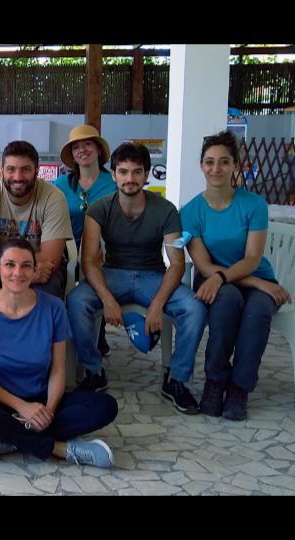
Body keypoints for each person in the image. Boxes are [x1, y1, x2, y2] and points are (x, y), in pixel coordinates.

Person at [66, 143, 206, 413]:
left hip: (153, 275)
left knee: (194, 308)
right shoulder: (99, 208)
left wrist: (157, 305)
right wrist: (107, 299)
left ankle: (176, 380)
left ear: (146, 174)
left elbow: (177, 263)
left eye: (136, 172)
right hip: (112, 274)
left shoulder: (165, 210)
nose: (129, 178)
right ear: (114, 175)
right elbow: (89, 260)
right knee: (76, 301)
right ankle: (94, 371)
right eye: (123, 171)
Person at [0, 239, 117, 467]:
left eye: (26, 266)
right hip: (1, 402)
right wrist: (22, 407)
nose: (18, 273)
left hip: (43, 399)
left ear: (35, 270)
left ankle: (10, 439)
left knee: (105, 406)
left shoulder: (53, 307)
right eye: (10, 265)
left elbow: (58, 370)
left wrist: (48, 412)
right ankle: (59, 449)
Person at [181, 130, 290, 421]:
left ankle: (239, 389)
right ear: (201, 166)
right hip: (215, 278)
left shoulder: (254, 205)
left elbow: (253, 258)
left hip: (252, 275)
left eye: (224, 161)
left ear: (236, 165)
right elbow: (203, 264)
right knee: (226, 301)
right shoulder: (190, 211)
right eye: (209, 162)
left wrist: (243, 280)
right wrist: (240, 281)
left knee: (258, 311)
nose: (216, 168)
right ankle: (215, 383)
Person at [0, 140, 72, 312]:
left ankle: (39, 331)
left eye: (25, 170)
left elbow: (50, 258)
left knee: (49, 284)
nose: (18, 177)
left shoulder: (54, 198)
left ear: (37, 171)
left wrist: (25, 272)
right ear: (2, 170)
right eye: (11, 169)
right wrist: (15, 272)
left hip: (39, 268)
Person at [53, 125, 116, 358]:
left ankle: (97, 335)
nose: (82, 150)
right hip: (66, 252)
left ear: (99, 150)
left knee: (98, 279)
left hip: (105, 252)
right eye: (76, 147)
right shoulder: (60, 185)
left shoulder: (114, 183)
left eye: (88, 144)